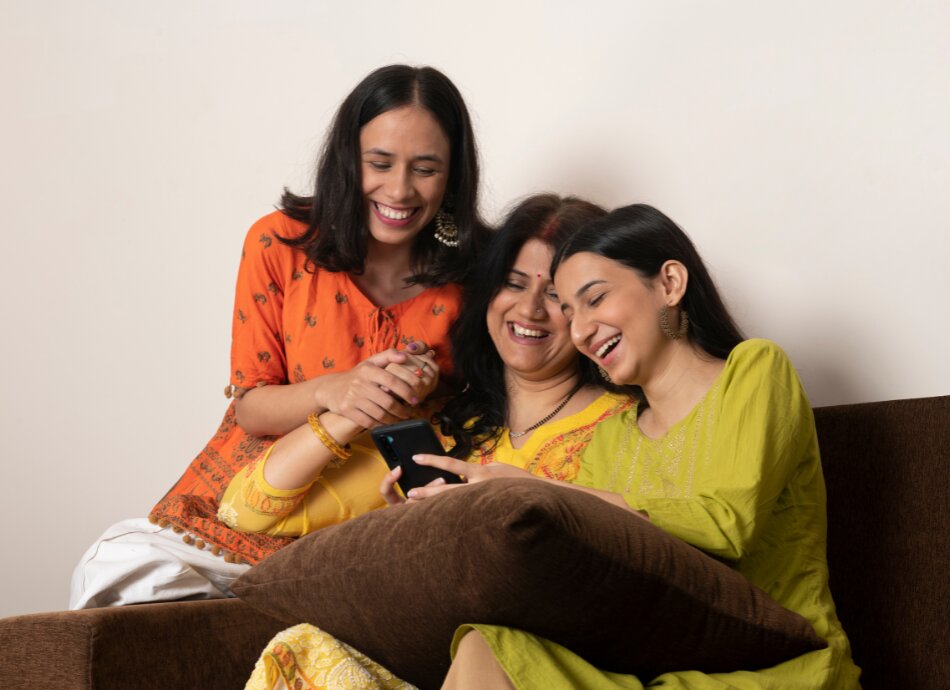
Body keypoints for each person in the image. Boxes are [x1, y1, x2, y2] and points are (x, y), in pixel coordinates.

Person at [249, 203, 862, 689]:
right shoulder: (614, 440)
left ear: (669, 282)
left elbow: (725, 526)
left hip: (782, 669)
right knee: (486, 644)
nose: (582, 327)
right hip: (659, 668)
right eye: (573, 312)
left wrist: (528, 487)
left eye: (594, 298)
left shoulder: (753, 371)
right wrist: (445, 521)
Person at [69, 64, 490, 609]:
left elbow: (494, 414)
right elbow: (251, 406)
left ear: (453, 177)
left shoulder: (477, 275)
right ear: (347, 159)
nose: (400, 190)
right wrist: (334, 390)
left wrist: (424, 386)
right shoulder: (280, 245)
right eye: (379, 163)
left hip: (373, 516)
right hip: (256, 489)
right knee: (117, 569)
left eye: (426, 169)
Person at [242, 194, 634, 689]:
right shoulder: (452, 427)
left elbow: (655, 547)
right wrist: (356, 403)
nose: (530, 309)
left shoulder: (624, 424)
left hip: (541, 665)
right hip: (430, 655)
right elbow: (252, 507)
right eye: (512, 284)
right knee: (299, 650)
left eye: (556, 295)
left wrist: (519, 493)